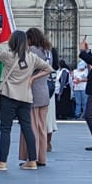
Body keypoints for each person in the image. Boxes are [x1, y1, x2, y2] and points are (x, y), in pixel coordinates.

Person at [0, 25, 49, 171]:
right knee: (27, 128)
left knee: (5, 128)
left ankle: (2, 162)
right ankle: (32, 161)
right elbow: (48, 68)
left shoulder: (8, 56)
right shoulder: (32, 58)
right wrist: (32, 78)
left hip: (9, 96)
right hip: (25, 97)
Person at [26, 29, 54, 166]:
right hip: (44, 90)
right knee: (42, 127)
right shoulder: (47, 51)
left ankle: (34, 157)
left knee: (33, 126)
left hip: (33, 90)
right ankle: (42, 157)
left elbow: (27, 68)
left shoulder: (32, 51)